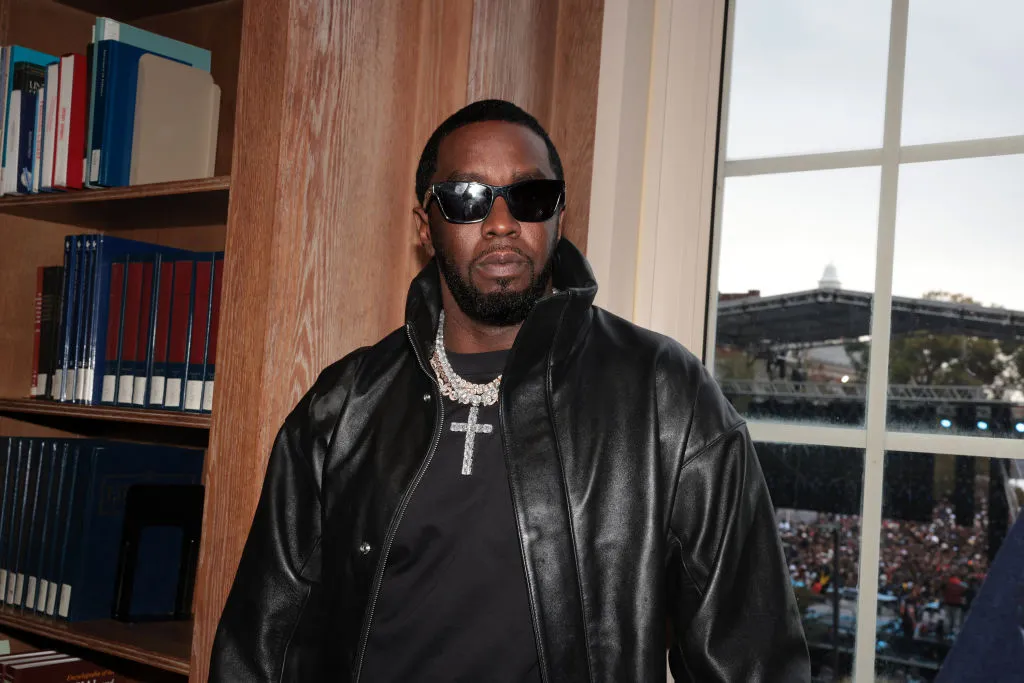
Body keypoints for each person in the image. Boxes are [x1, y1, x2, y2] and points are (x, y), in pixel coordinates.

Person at [209, 99, 810, 682]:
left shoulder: (665, 396)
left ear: (558, 214)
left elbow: (749, 658)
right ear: (426, 225)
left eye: (529, 196)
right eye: (466, 199)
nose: (501, 223)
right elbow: (262, 642)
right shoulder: (341, 406)